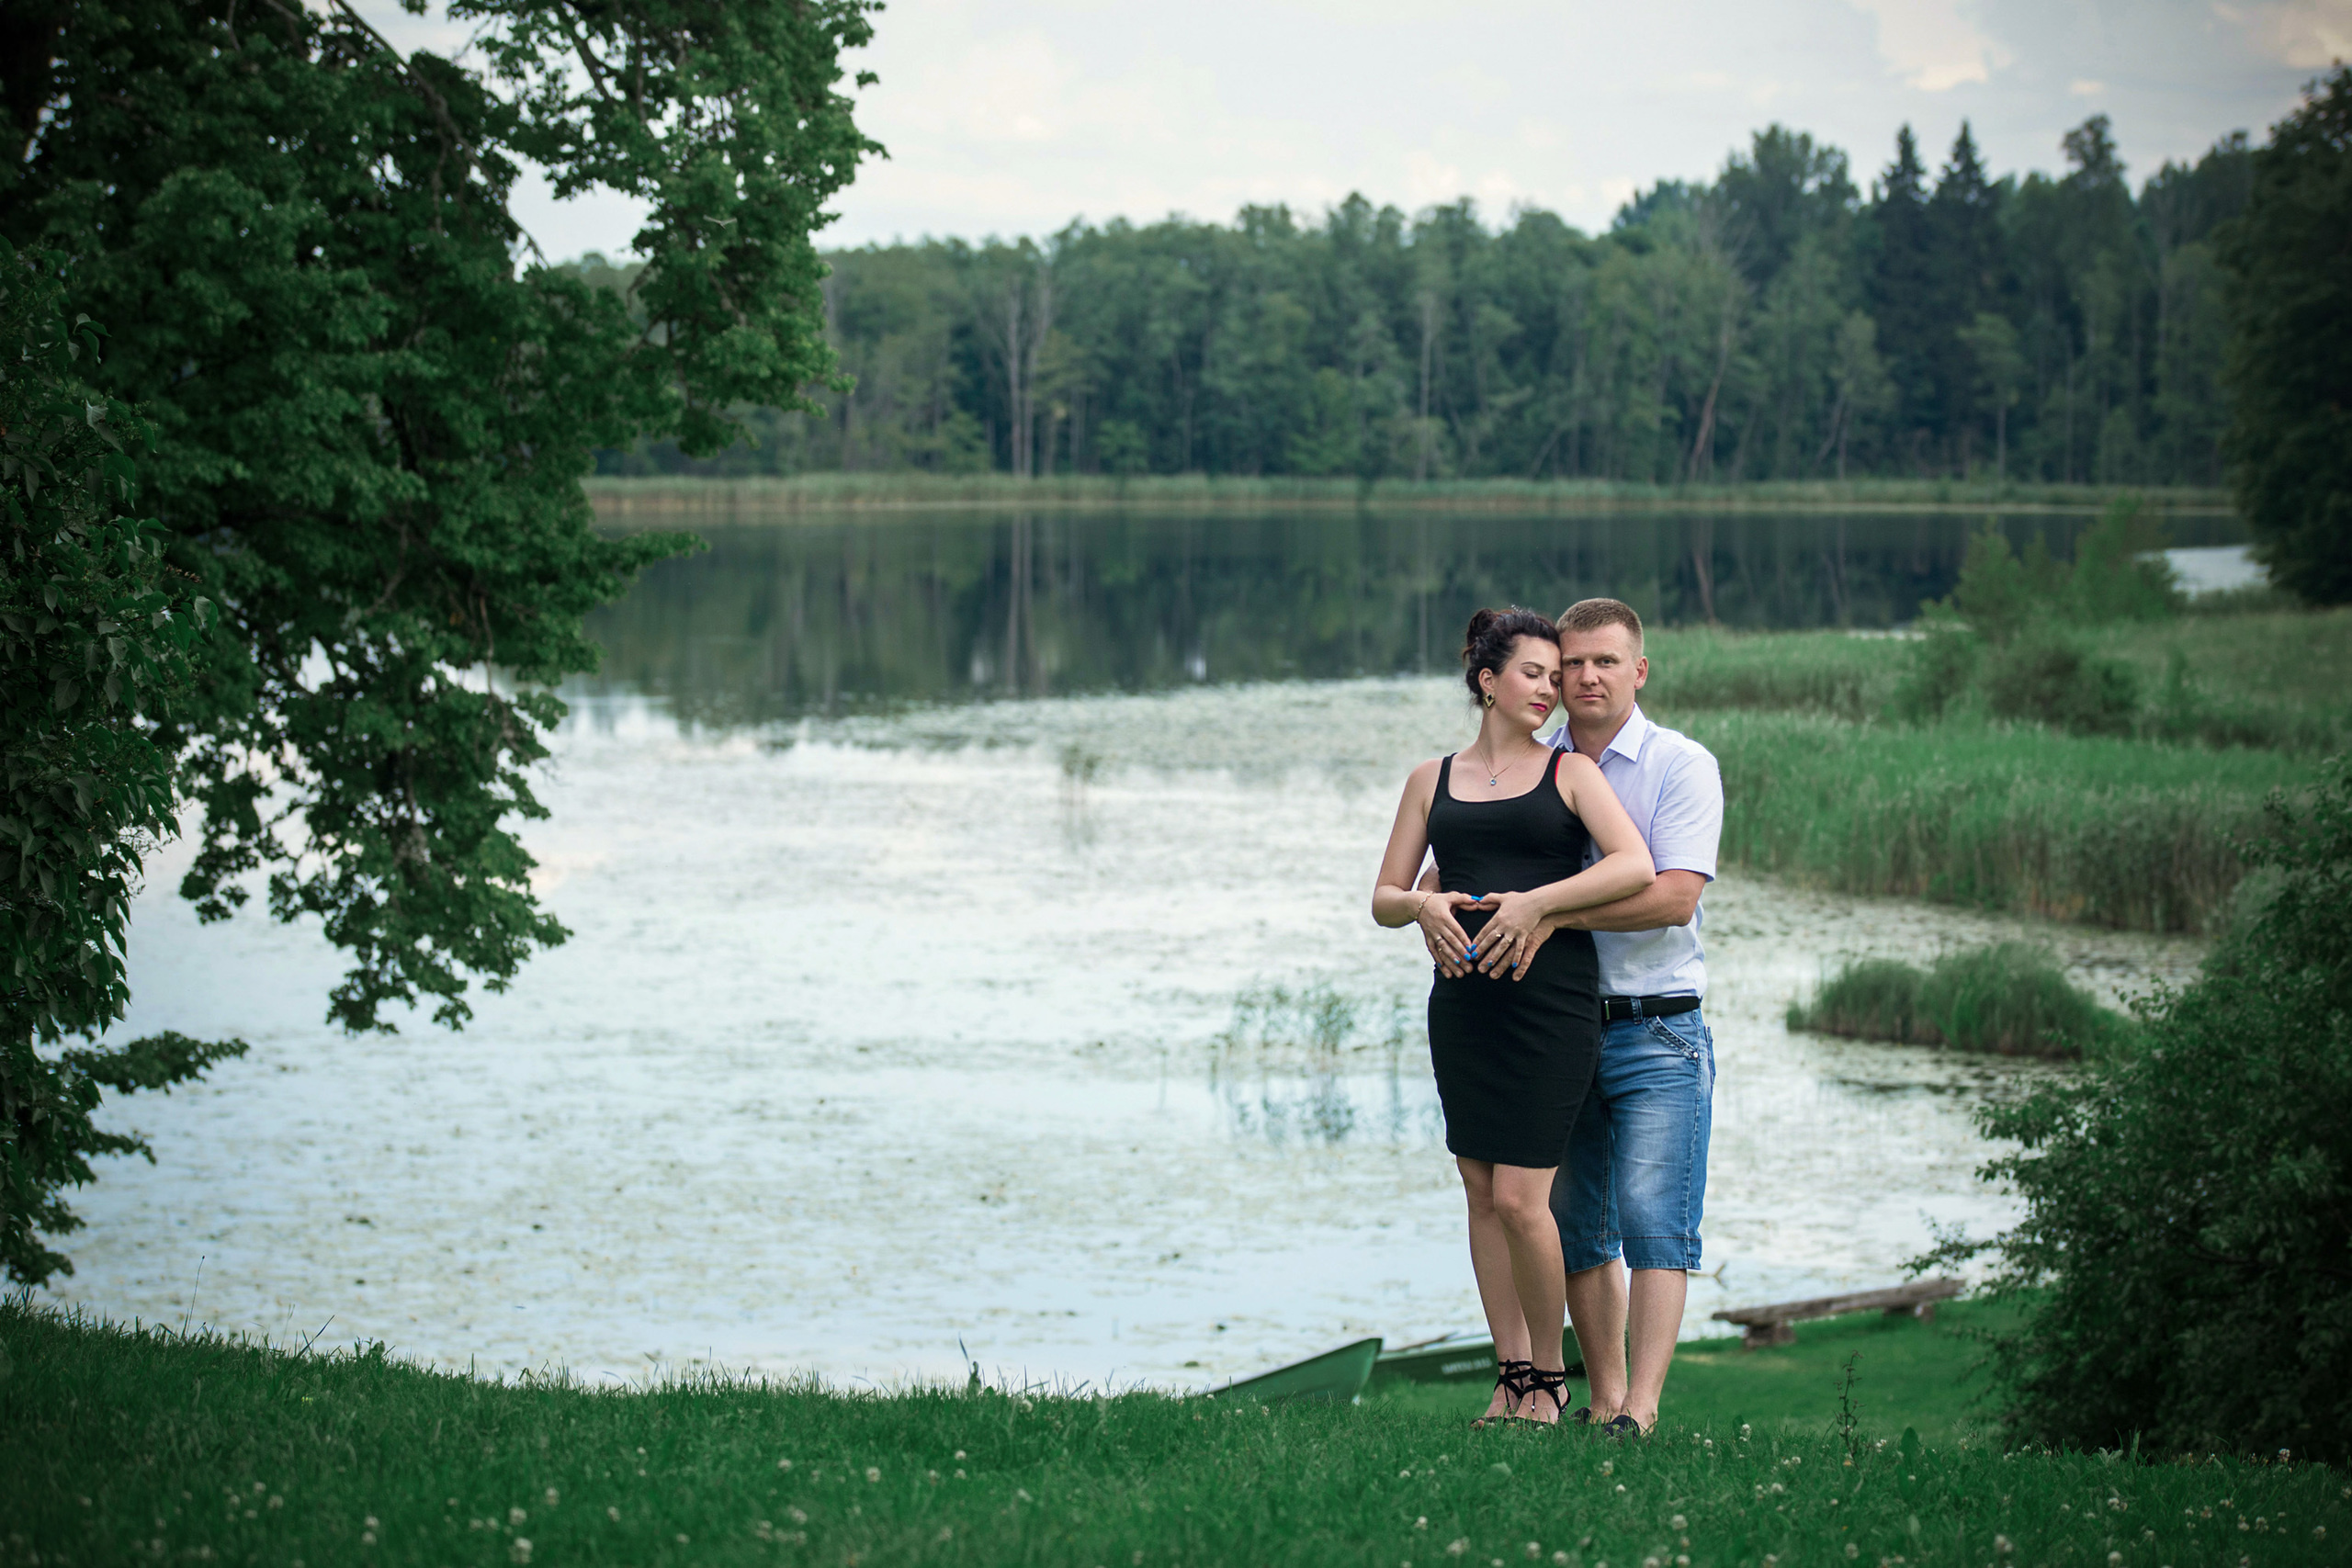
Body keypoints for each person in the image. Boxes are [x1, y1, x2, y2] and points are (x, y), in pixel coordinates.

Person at [1425, 597, 1723, 1438]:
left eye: (1600, 663)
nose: (1580, 679)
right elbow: (1463, 875)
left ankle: (1644, 1411)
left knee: (1654, 1218)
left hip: (1659, 1024)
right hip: (1555, 1025)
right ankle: (1602, 1397)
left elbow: (1671, 896)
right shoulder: (1533, 760)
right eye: (1566, 667)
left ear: (1639, 669)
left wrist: (1544, 913)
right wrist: (1444, 916)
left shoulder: (1679, 764)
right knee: (1576, 1221)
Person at [1374, 607, 1656, 1427]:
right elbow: (1383, 897)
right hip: (1464, 1005)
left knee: (1527, 1199)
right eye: (1535, 673)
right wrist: (1423, 904)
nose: (1553, 688)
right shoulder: (1431, 780)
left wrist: (1538, 904)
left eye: (1555, 674)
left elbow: (1634, 863)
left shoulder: (1570, 773)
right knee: (1479, 1190)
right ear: (1487, 681)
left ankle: (1550, 1377)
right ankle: (1511, 1377)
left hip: (1551, 1004)